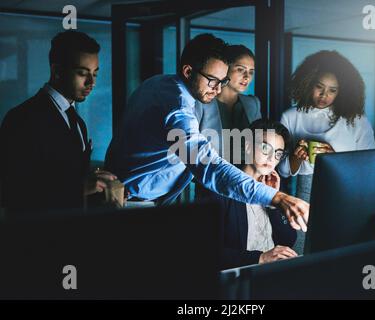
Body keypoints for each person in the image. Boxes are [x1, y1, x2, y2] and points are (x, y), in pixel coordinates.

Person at [105, 33, 309, 230]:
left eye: (223, 81)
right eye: (212, 80)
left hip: (128, 196)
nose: (218, 89)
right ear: (188, 71)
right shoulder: (178, 109)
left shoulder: (158, 83)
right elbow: (207, 165)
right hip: (132, 205)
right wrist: (277, 197)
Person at [0, 31, 116, 214]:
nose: (91, 82)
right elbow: (12, 193)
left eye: (95, 74)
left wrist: (100, 187)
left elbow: (68, 177)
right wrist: (81, 188)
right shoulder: (21, 119)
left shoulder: (78, 123)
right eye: (82, 73)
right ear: (57, 71)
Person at [278, 50, 375, 202]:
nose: (324, 95)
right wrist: (296, 157)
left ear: (342, 91)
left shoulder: (356, 119)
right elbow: (282, 171)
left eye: (332, 90)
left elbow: (370, 165)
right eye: (319, 87)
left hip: (345, 190)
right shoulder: (290, 117)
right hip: (304, 194)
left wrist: (334, 160)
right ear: (308, 83)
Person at [211, 119, 299, 270]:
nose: (272, 159)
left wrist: (273, 204)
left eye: (278, 154)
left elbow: (289, 239)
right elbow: (207, 252)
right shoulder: (222, 187)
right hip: (241, 278)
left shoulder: (274, 184)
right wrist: (260, 258)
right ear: (248, 147)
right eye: (266, 148)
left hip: (273, 273)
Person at [195, 44, 261, 163]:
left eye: (251, 72)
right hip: (211, 175)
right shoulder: (202, 103)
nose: (247, 77)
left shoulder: (253, 103)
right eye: (240, 69)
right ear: (226, 69)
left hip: (244, 176)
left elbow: (260, 145)